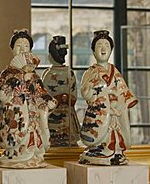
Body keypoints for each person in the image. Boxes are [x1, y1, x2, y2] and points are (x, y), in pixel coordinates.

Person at [0, 29, 57, 168]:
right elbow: (1, 94)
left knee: (32, 135)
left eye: (26, 47)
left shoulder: (34, 75)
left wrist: (48, 100)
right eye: (18, 46)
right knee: (17, 135)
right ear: (12, 49)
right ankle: (15, 155)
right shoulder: (7, 73)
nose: (22, 50)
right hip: (15, 113)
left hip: (31, 111)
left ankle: (33, 156)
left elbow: (41, 91)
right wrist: (20, 80)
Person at [79, 30, 138, 165]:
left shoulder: (114, 71)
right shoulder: (91, 72)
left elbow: (123, 89)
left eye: (106, 45)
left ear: (111, 49)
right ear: (93, 51)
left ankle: (116, 152)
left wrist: (120, 103)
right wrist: (89, 92)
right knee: (101, 133)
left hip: (115, 112)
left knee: (115, 134)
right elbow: (85, 91)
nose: (103, 48)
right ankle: (98, 150)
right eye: (99, 45)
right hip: (100, 111)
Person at [42, 35, 80, 147]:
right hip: (63, 113)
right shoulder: (69, 73)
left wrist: (59, 99)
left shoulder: (48, 74)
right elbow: (74, 97)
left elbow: (43, 97)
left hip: (54, 113)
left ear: (50, 56)